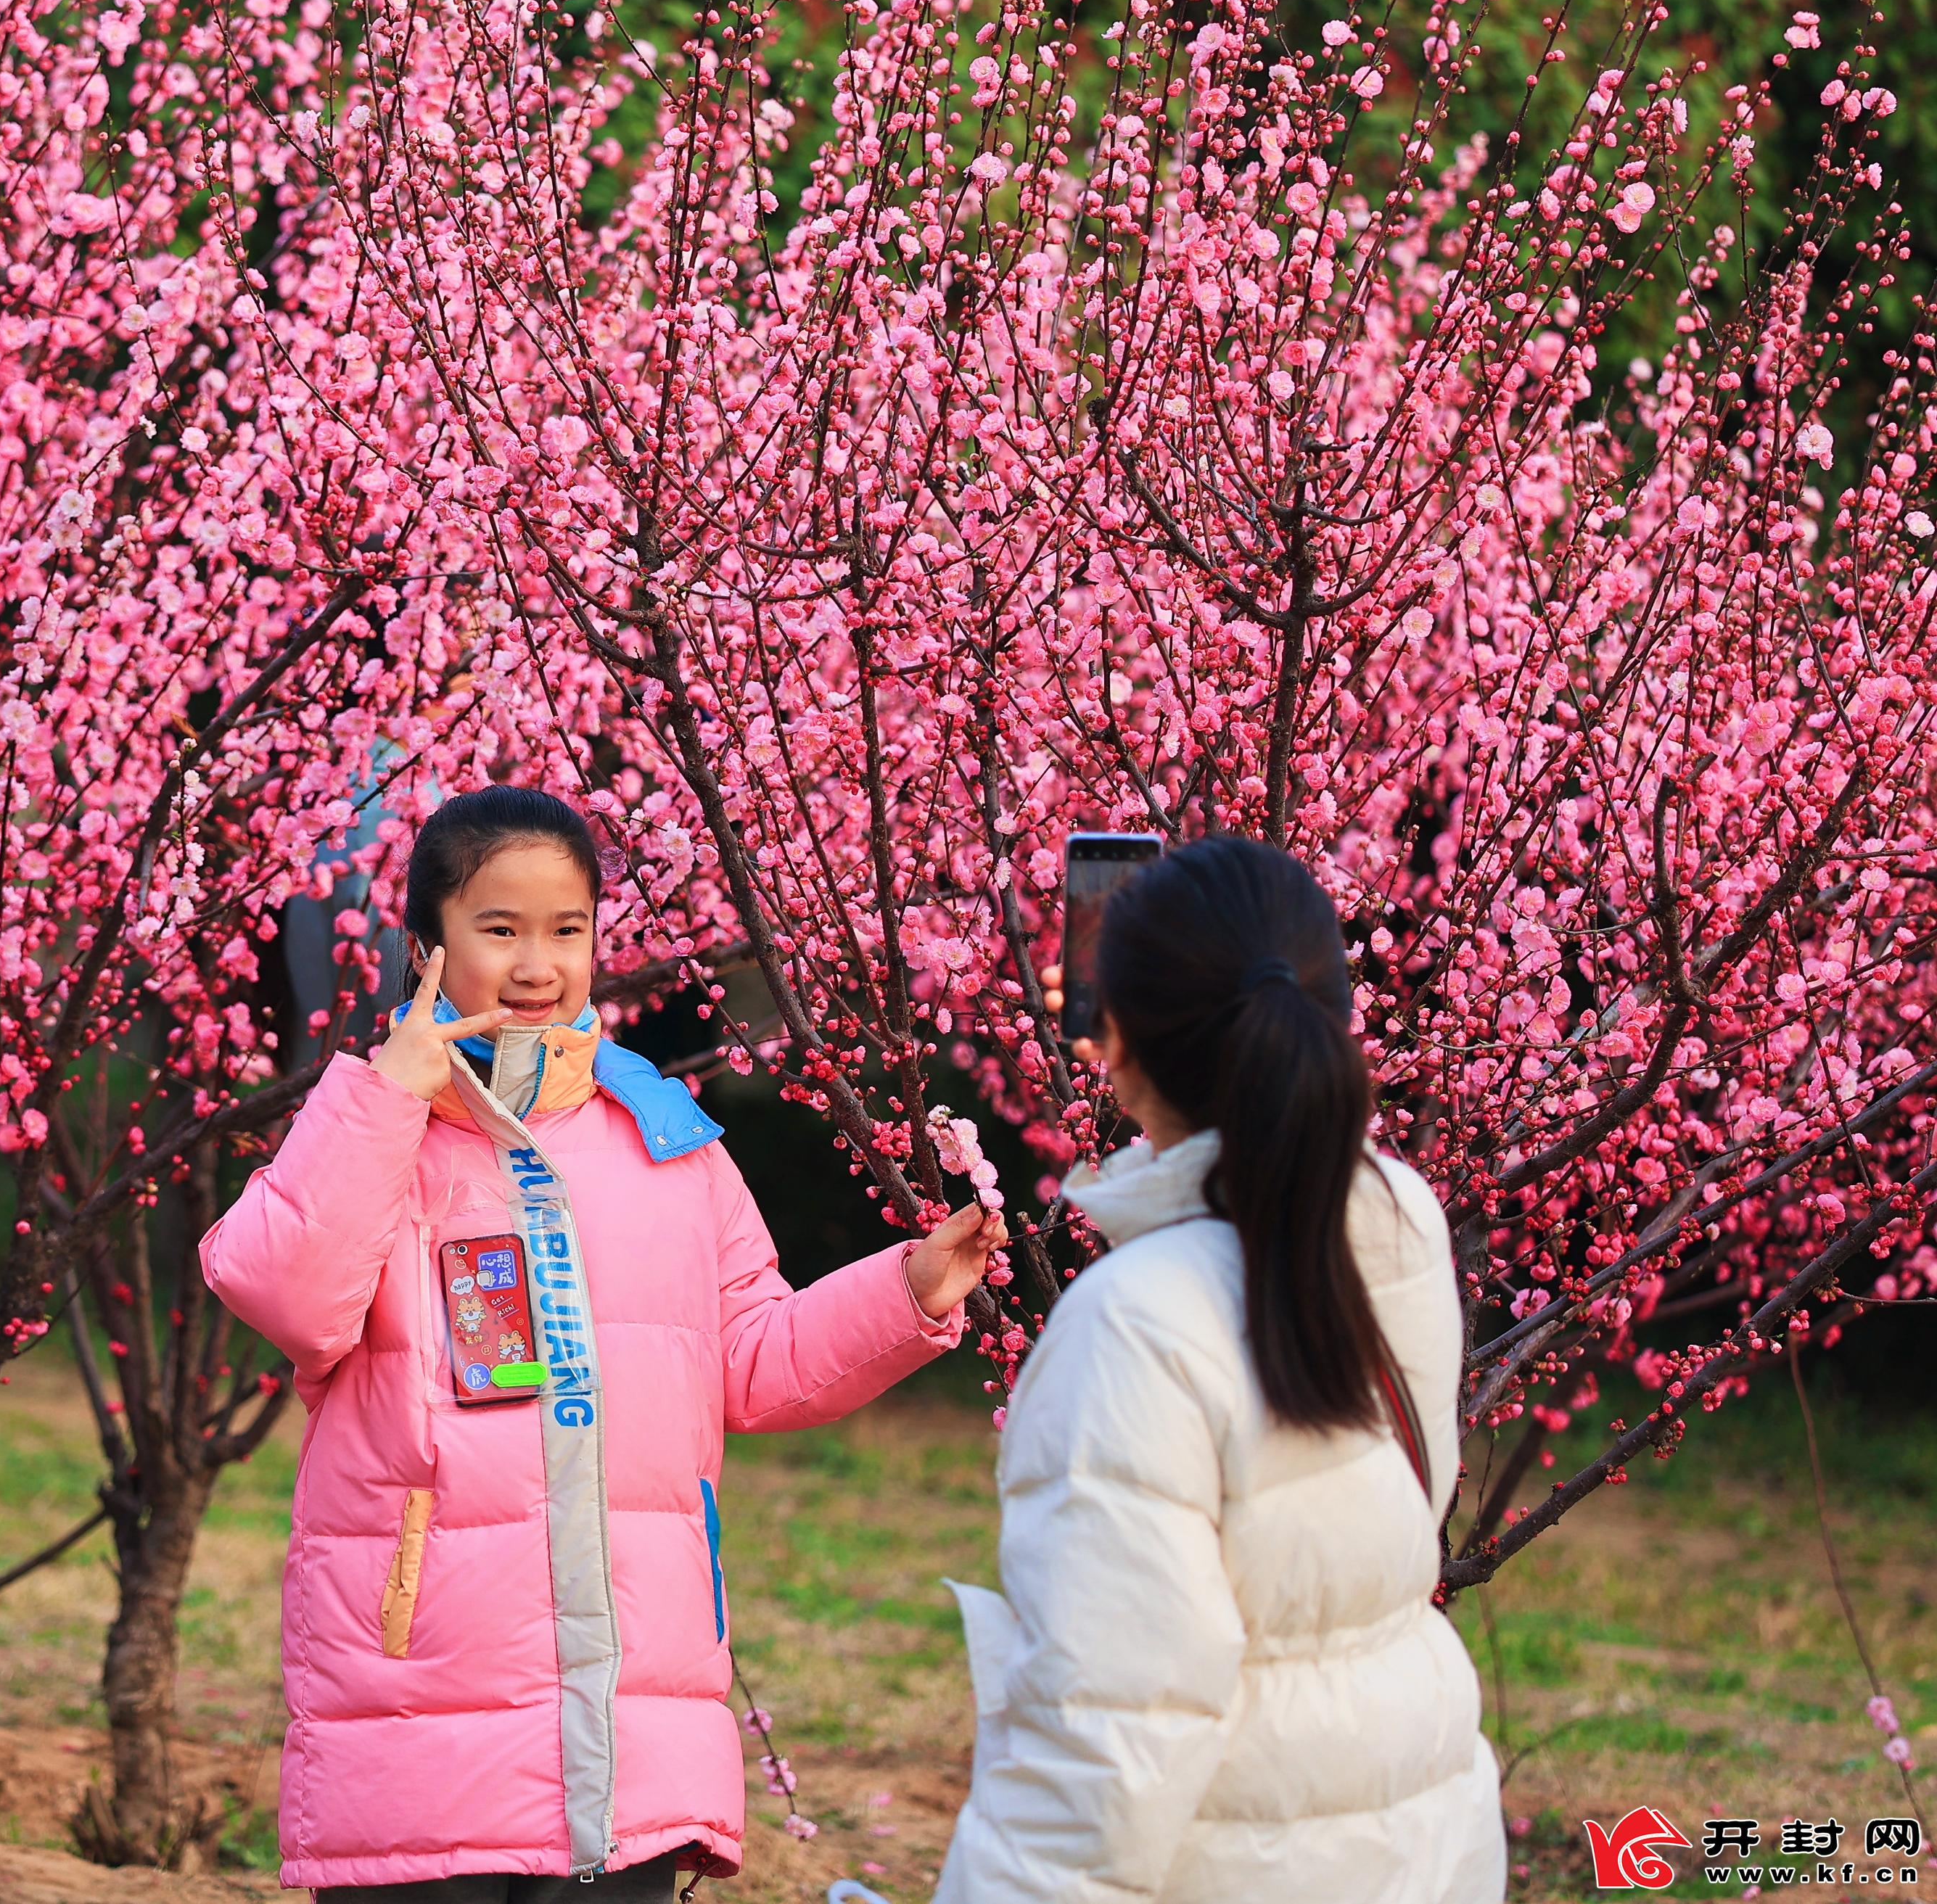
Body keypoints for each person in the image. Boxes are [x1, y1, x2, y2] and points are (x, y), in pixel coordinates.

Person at [202, 785, 1003, 1900]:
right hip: (421, 1714)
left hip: (634, 1724)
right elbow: (287, 1292)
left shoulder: (665, 1140)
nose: (538, 964)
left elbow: (756, 1358)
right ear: (427, 946)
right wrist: (390, 1093)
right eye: (501, 929)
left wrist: (909, 1288)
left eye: (567, 930)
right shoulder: (378, 1131)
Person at [932, 835, 1503, 1904]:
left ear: (1118, 1048)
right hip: (1419, 1834)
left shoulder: (1134, 1326)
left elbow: (1104, 1751)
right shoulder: (1397, 1216)